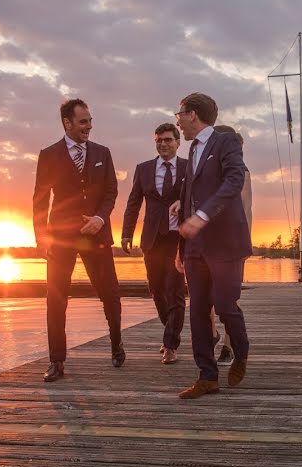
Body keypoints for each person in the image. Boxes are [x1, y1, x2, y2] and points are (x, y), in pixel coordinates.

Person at [32, 98, 123, 382]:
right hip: (60, 238)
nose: (89, 127)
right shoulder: (48, 155)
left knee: (109, 292)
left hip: (96, 234)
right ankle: (56, 361)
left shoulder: (102, 153)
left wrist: (100, 218)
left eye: (90, 121)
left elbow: (111, 190)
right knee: (56, 299)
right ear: (67, 123)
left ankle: (116, 344)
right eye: (83, 122)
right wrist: (41, 238)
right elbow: (40, 199)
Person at [171, 93, 252, 399]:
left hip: (224, 242)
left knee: (226, 305)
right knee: (198, 312)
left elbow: (233, 181)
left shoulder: (225, 142)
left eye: (179, 114)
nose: (177, 120)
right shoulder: (192, 150)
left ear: (192, 114)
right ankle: (207, 376)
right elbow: (190, 193)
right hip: (195, 247)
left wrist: (203, 214)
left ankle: (241, 352)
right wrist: (182, 245)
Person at [121, 124, 187, 365]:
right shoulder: (144, 169)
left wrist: (182, 200)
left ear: (178, 142)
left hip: (178, 239)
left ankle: (171, 344)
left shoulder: (188, 168)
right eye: (159, 140)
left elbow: (196, 196)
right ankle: (170, 331)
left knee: (175, 290)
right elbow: (133, 203)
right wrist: (126, 233)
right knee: (157, 290)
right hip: (151, 240)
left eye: (168, 140)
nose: (163, 144)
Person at [210, 125, 252, 367]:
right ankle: (214, 334)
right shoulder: (209, 169)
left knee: (228, 298)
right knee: (208, 297)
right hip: (208, 244)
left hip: (232, 244)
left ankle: (228, 345)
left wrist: (243, 246)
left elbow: (247, 210)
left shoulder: (242, 173)